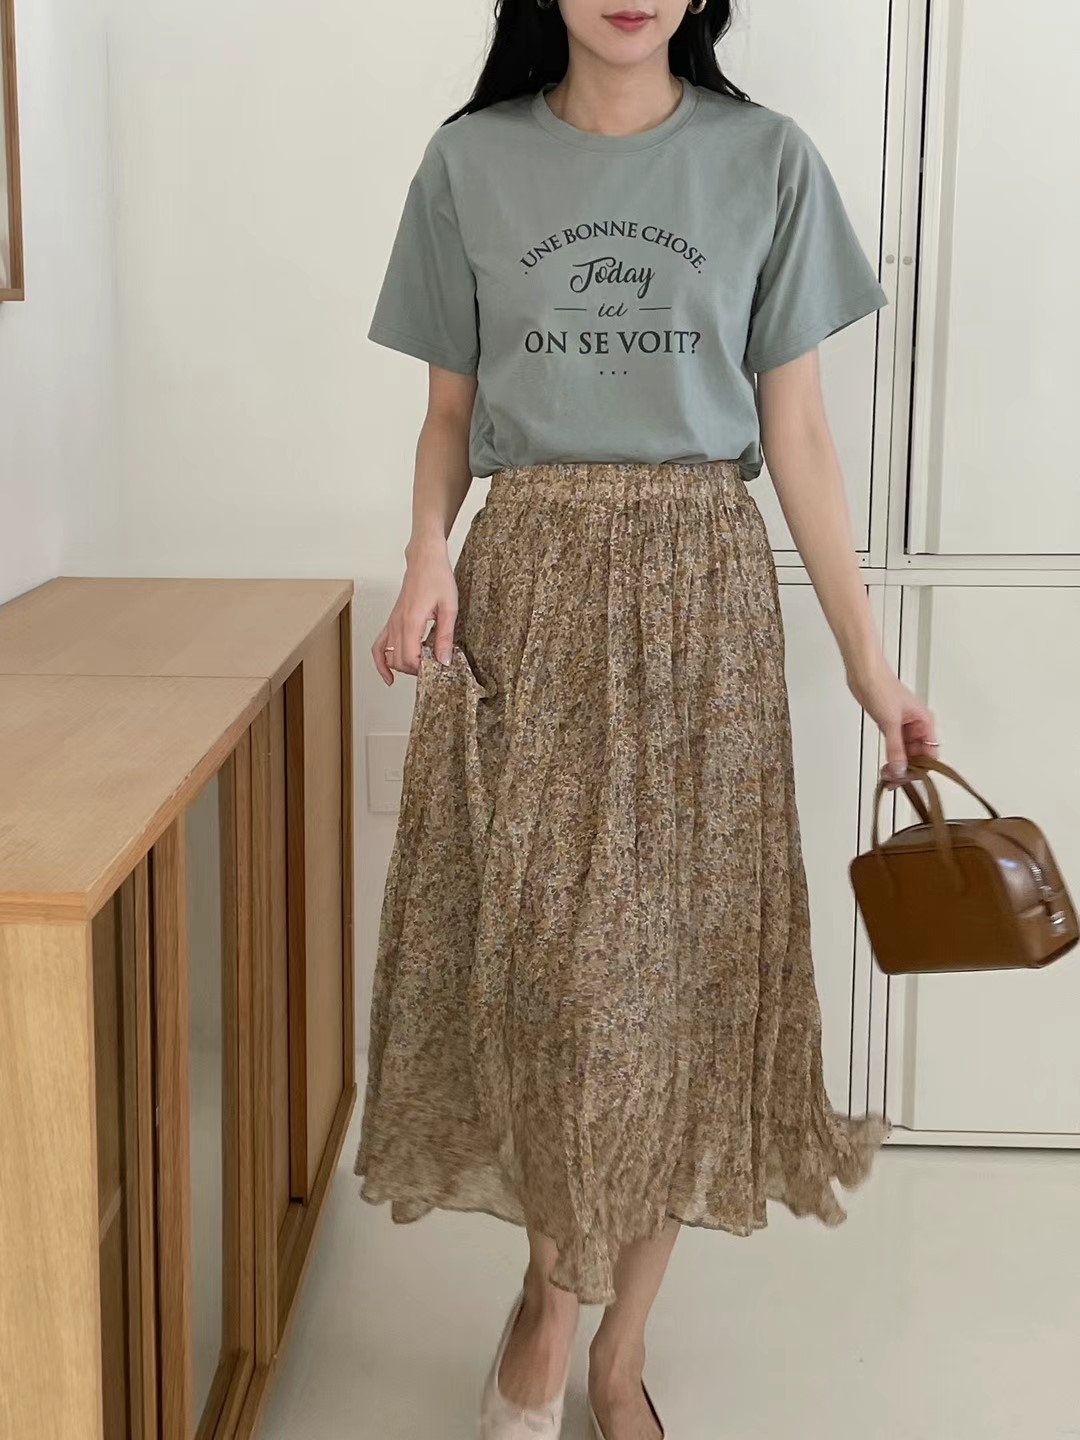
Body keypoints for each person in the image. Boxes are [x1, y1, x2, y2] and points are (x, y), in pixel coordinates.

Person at [355, 3, 939, 1437]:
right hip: (531, 594)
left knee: (677, 997)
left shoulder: (767, 160)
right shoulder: (471, 164)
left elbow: (798, 434)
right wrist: (428, 552)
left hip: (701, 609)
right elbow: (450, 417)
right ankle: (553, 1304)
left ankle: (615, 1356)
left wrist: (870, 665)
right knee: (555, 988)